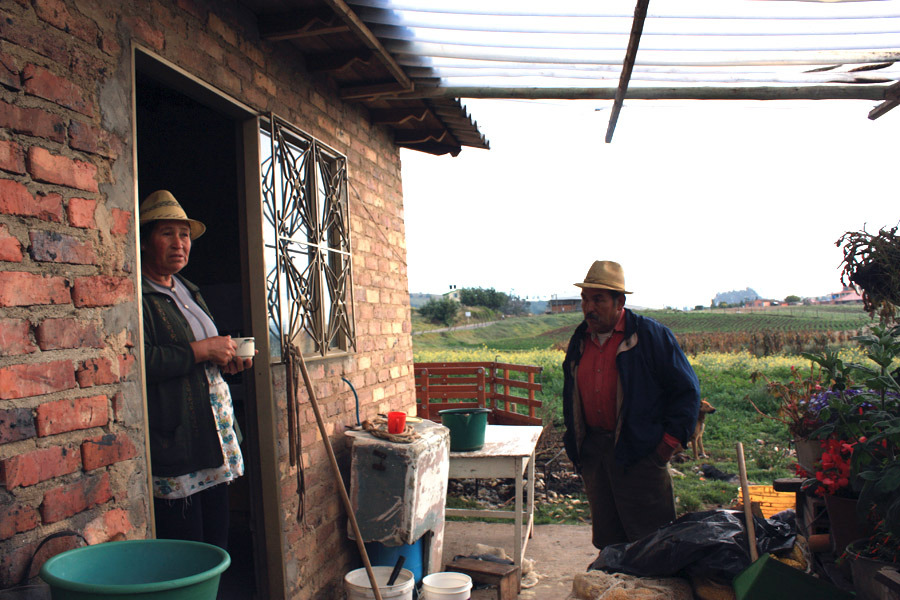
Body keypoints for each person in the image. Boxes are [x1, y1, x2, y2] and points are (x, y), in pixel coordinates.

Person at [562, 260, 700, 551]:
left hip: (641, 452)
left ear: (619, 302)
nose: (589, 307)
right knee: (608, 541)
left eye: (598, 299)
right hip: (595, 453)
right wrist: (578, 446)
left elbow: (687, 392)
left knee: (651, 541)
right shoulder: (580, 339)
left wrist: (666, 445)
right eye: (585, 299)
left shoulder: (649, 336)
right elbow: (570, 395)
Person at [140, 189, 251, 550]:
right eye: (166, 233)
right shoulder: (137, 294)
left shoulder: (189, 289)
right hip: (179, 439)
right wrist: (202, 349)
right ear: (144, 241)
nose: (179, 243)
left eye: (184, 234)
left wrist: (227, 360)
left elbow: (202, 361)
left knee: (217, 542)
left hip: (212, 436)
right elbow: (142, 362)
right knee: (188, 548)